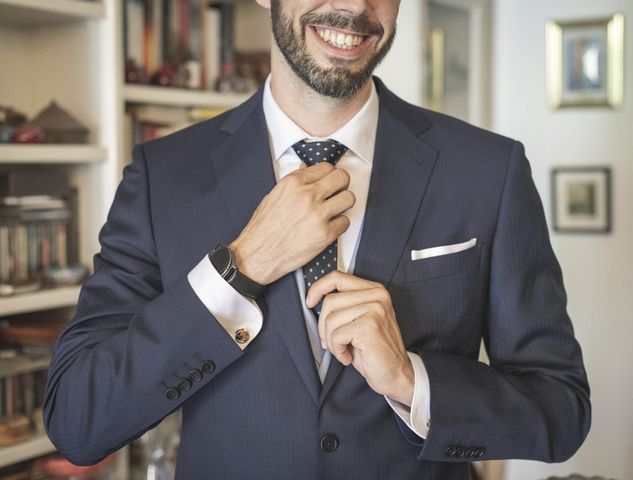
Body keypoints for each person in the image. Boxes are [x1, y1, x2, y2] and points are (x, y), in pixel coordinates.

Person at [43, 1, 591, 479]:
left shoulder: (488, 172)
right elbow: (77, 418)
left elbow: (561, 410)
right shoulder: (161, 176)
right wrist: (241, 267)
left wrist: (410, 380)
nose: (355, 7)